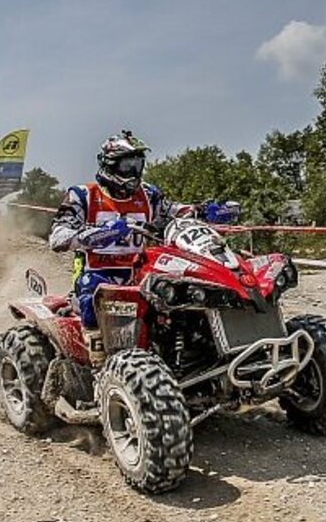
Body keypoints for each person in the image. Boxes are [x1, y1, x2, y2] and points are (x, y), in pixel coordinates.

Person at [49, 130, 238, 362]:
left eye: (138, 165)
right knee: (93, 301)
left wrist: (207, 211)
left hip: (142, 271)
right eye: (128, 165)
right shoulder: (83, 195)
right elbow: (58, 237)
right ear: (110, 165)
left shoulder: (148, 194)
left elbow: (177, 212)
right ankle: (100, 368)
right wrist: (101, 234)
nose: (134, 172)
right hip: (97, 275)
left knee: (188, 297)